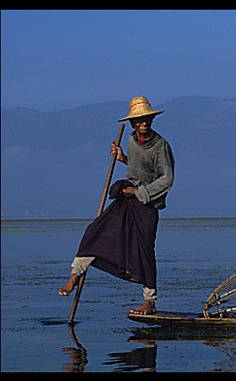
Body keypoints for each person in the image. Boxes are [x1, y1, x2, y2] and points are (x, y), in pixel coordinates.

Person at [59, 96, 174, 315]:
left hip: (147, 205)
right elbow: (139, 167)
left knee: (145, 251)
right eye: (139, 120)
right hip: (126, 198)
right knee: (96, 231)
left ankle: (149, 301)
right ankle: (75, 275)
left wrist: (139, 192)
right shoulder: (131, 139)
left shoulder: (161, 146)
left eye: (146, 118)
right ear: (132, 123)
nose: (143, 122)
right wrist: (122, 158)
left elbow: (165, 179)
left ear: (151, 119)